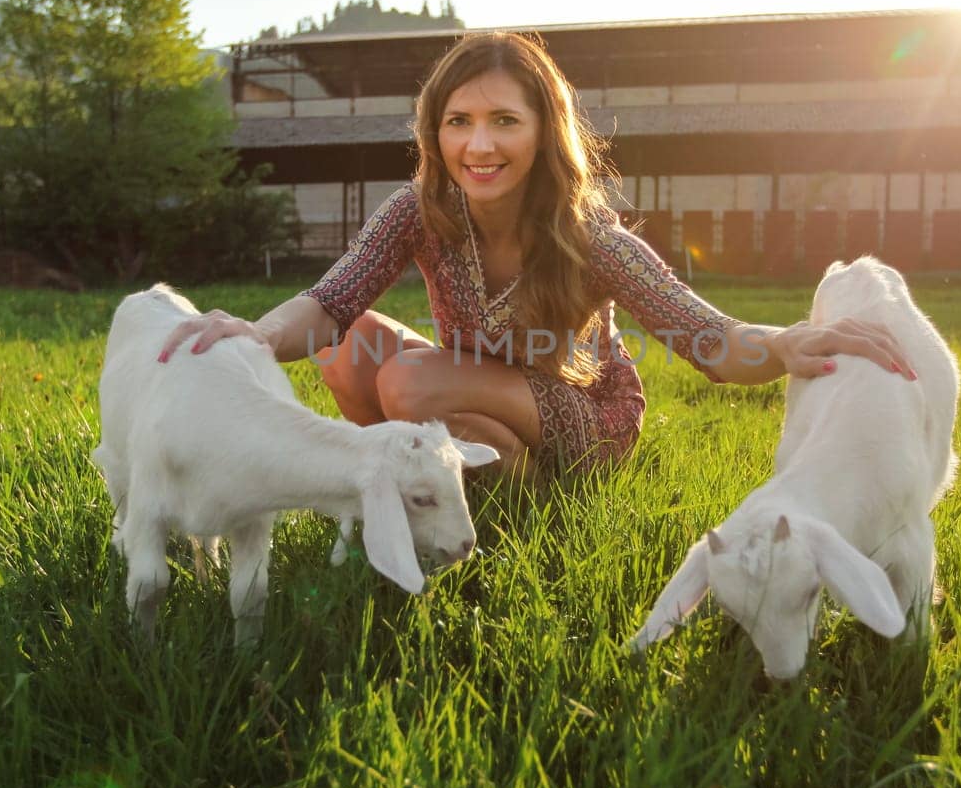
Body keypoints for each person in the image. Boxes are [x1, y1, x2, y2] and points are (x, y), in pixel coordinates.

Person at [157, 32, 914, 476]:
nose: (478, 145)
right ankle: (411, 482)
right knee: (347, 348)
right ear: (435, 132)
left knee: (411, 382)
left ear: (542, 130)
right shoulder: (419, 211)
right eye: (458, 121)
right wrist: (256, 338)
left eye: (503, 121)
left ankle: (508, 486)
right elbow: (330, 302)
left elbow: (707, 340)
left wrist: (788, 342)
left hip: (589, 416)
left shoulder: (590, 237)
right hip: (474, 393)